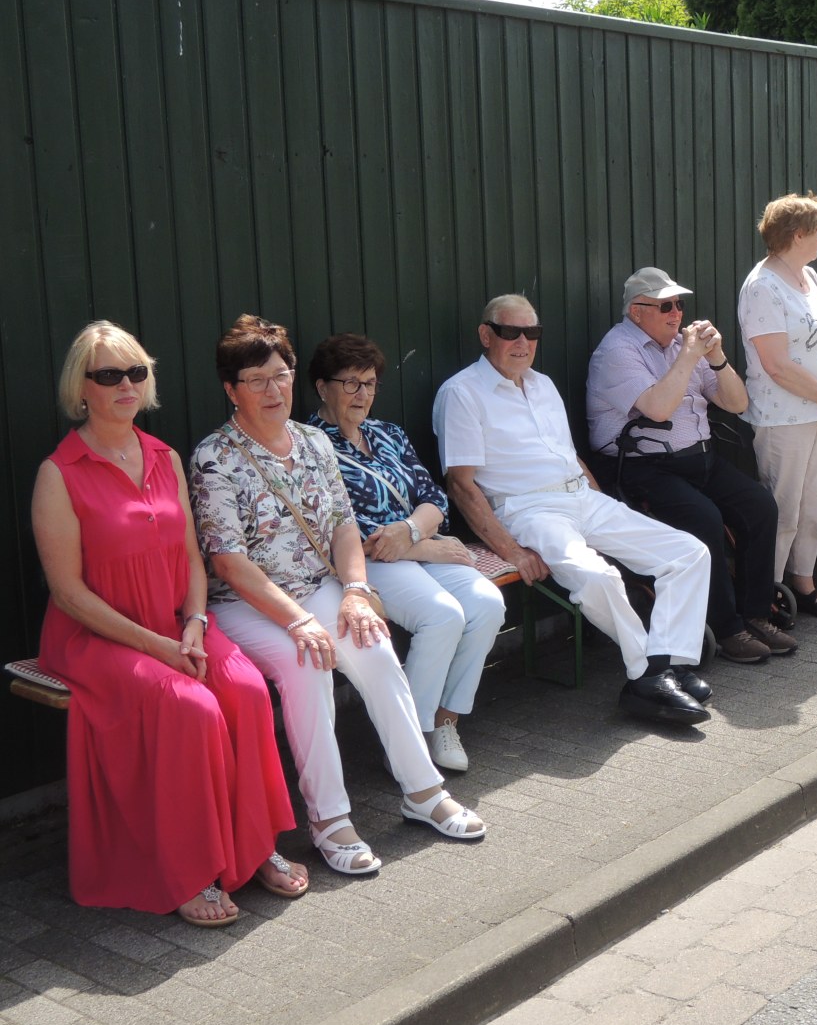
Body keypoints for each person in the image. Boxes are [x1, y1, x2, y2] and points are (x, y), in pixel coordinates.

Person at [192, 316, 484, 878]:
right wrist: (299, 621)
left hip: (320, 587)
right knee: (307, 664)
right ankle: (328, 819)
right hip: (246, 604)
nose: (273, 390)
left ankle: (422, 790)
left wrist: (354, 591)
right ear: (232, 389)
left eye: (281, 375)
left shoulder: (313, 443)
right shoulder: (215, 457)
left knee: (375, 650)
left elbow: (344, 526)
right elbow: (228, 562)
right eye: (256, 380)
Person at [33, 322, 304, 927]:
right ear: (82, 388)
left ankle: (252, 848)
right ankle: (189, 869)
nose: (126, 385)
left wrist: (195, 622)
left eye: (136, 372)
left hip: (175, 622)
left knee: (245, 690)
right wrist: (157, 645)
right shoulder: (60, 473)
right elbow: (68, 594)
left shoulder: (163, 457)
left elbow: (190, 558)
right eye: (109, 375)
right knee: (191, 708)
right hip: (97, 637)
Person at [435, 295, 714, 724]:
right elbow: (461, 485)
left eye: (532, 333)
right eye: (511, 332)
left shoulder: (542, 384)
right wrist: (512, 551)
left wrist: (602, 502)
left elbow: (570, 457)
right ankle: (647, 676)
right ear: (486, 335)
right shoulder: (462, 392)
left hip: (581, 496)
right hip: (529, 510)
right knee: (597, 576)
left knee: (689, 552)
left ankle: (669, 662)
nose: (523, 342)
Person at [307, 334, 507, 773]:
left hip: (415, 545)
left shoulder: (388, 433)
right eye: (351, 383)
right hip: (367, 562)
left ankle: (445, 720)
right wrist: (425, 547)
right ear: (322, 387)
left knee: (488, 604)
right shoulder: (310, 446)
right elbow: (341, 529)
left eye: (370, 384)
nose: (362, 394)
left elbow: (433, 497)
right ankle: (408, 743)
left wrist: (412, 531)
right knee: (442, 615)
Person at [587, 266, 791, 665]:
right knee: (705, 518)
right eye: (665, 306)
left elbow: (737, 403)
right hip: (641, 466)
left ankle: (755, 615)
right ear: (636, 311)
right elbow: (659, 409)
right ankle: (727, 629)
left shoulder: (685, 346)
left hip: (699, 457)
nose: (677, 314)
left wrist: (716, 358)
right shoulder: (617, 351)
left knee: (760, 506)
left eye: (679, 305)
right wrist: (688, 355)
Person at [738, 192, 817, 622]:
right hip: (783, 417)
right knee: (783, 510)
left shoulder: (810, 277)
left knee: (813, 507)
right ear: (797, 234)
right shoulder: (762, 288)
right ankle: (766, 596)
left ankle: (803, 586)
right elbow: (777, 365)